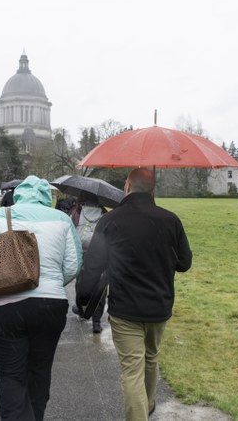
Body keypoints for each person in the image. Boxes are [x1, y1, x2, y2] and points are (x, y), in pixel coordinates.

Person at [77, 168, 192, 421]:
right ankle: (146, 406)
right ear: (153, 190)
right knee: (151, 359)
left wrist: (82, 298)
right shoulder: (170, 220)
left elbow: (93, 264)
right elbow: (184, 263)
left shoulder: (110, 221)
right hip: (159, 306)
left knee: (132, 370)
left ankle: (141, 412)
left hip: (125, 308)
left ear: (127, 186)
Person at [0, 175, 82, 420]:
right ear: (47, 196)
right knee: (40, 369)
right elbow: (73, 265)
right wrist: (53, 283)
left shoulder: (0, 217)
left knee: (10, 374)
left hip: (5, 306)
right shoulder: (62, 219)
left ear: (19, 194)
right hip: (50, 304)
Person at [69, 194, 108, 333]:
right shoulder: (104, 214)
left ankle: (81, 308)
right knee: (100, 286)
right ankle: (96, 321)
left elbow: (70, 230)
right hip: (99, 254)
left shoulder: (76, 211)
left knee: (81, 282)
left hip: (81, 252)